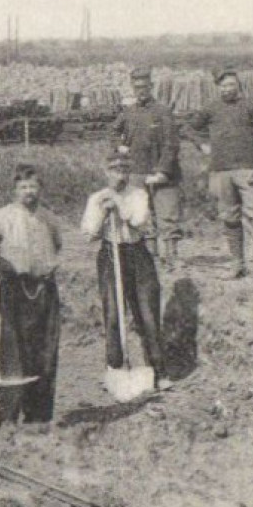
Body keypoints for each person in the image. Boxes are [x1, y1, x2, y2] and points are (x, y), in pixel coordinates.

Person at [0, 164, 63, 426]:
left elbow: (58, 245)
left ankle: (39, 417)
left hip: (45, 288)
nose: (29, 192)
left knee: (45, 352)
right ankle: (8, 417)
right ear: (14, 190)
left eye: (33, 187)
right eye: (23, 187)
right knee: (14, 353)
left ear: (40, 189)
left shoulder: (48, 218)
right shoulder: (2, 216)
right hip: (14, 289)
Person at [81, 147, 167, 386]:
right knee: (113, 313)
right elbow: (88, 234)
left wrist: (119, 204)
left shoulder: (139, 194)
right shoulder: (96, 198)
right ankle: (115, 369)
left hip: (137, 254)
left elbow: (139, 221)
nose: (121, 175)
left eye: (125, 170)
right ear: (106, 172)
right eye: (115, 171)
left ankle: (158, 371)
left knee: (148, 314)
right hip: (110, 254)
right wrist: (102, 213)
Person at [195, 67, 253, 284]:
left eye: (232, 85)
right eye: (224, 86)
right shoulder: (211, 108)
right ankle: (237, 264)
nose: (228, 89)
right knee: (229, 216)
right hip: (221, 170)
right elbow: (188, 128)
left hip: (248, 169)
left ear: (238, 85)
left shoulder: (251, 105)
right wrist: (202, 144)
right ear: (218, 87)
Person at [113, 65, 184, 270]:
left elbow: (172, 144)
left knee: (167, 215)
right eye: (136, 87)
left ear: (151, 86)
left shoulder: (163, 111)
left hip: (163, 173)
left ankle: (172, 257)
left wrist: (162, 171)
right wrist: (120, 146)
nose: (140, 91)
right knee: (142, 215)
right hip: (137, 171)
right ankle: (150, 257)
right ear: (132, 89)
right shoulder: (128, 113)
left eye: (144, 87)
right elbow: (113, 131)